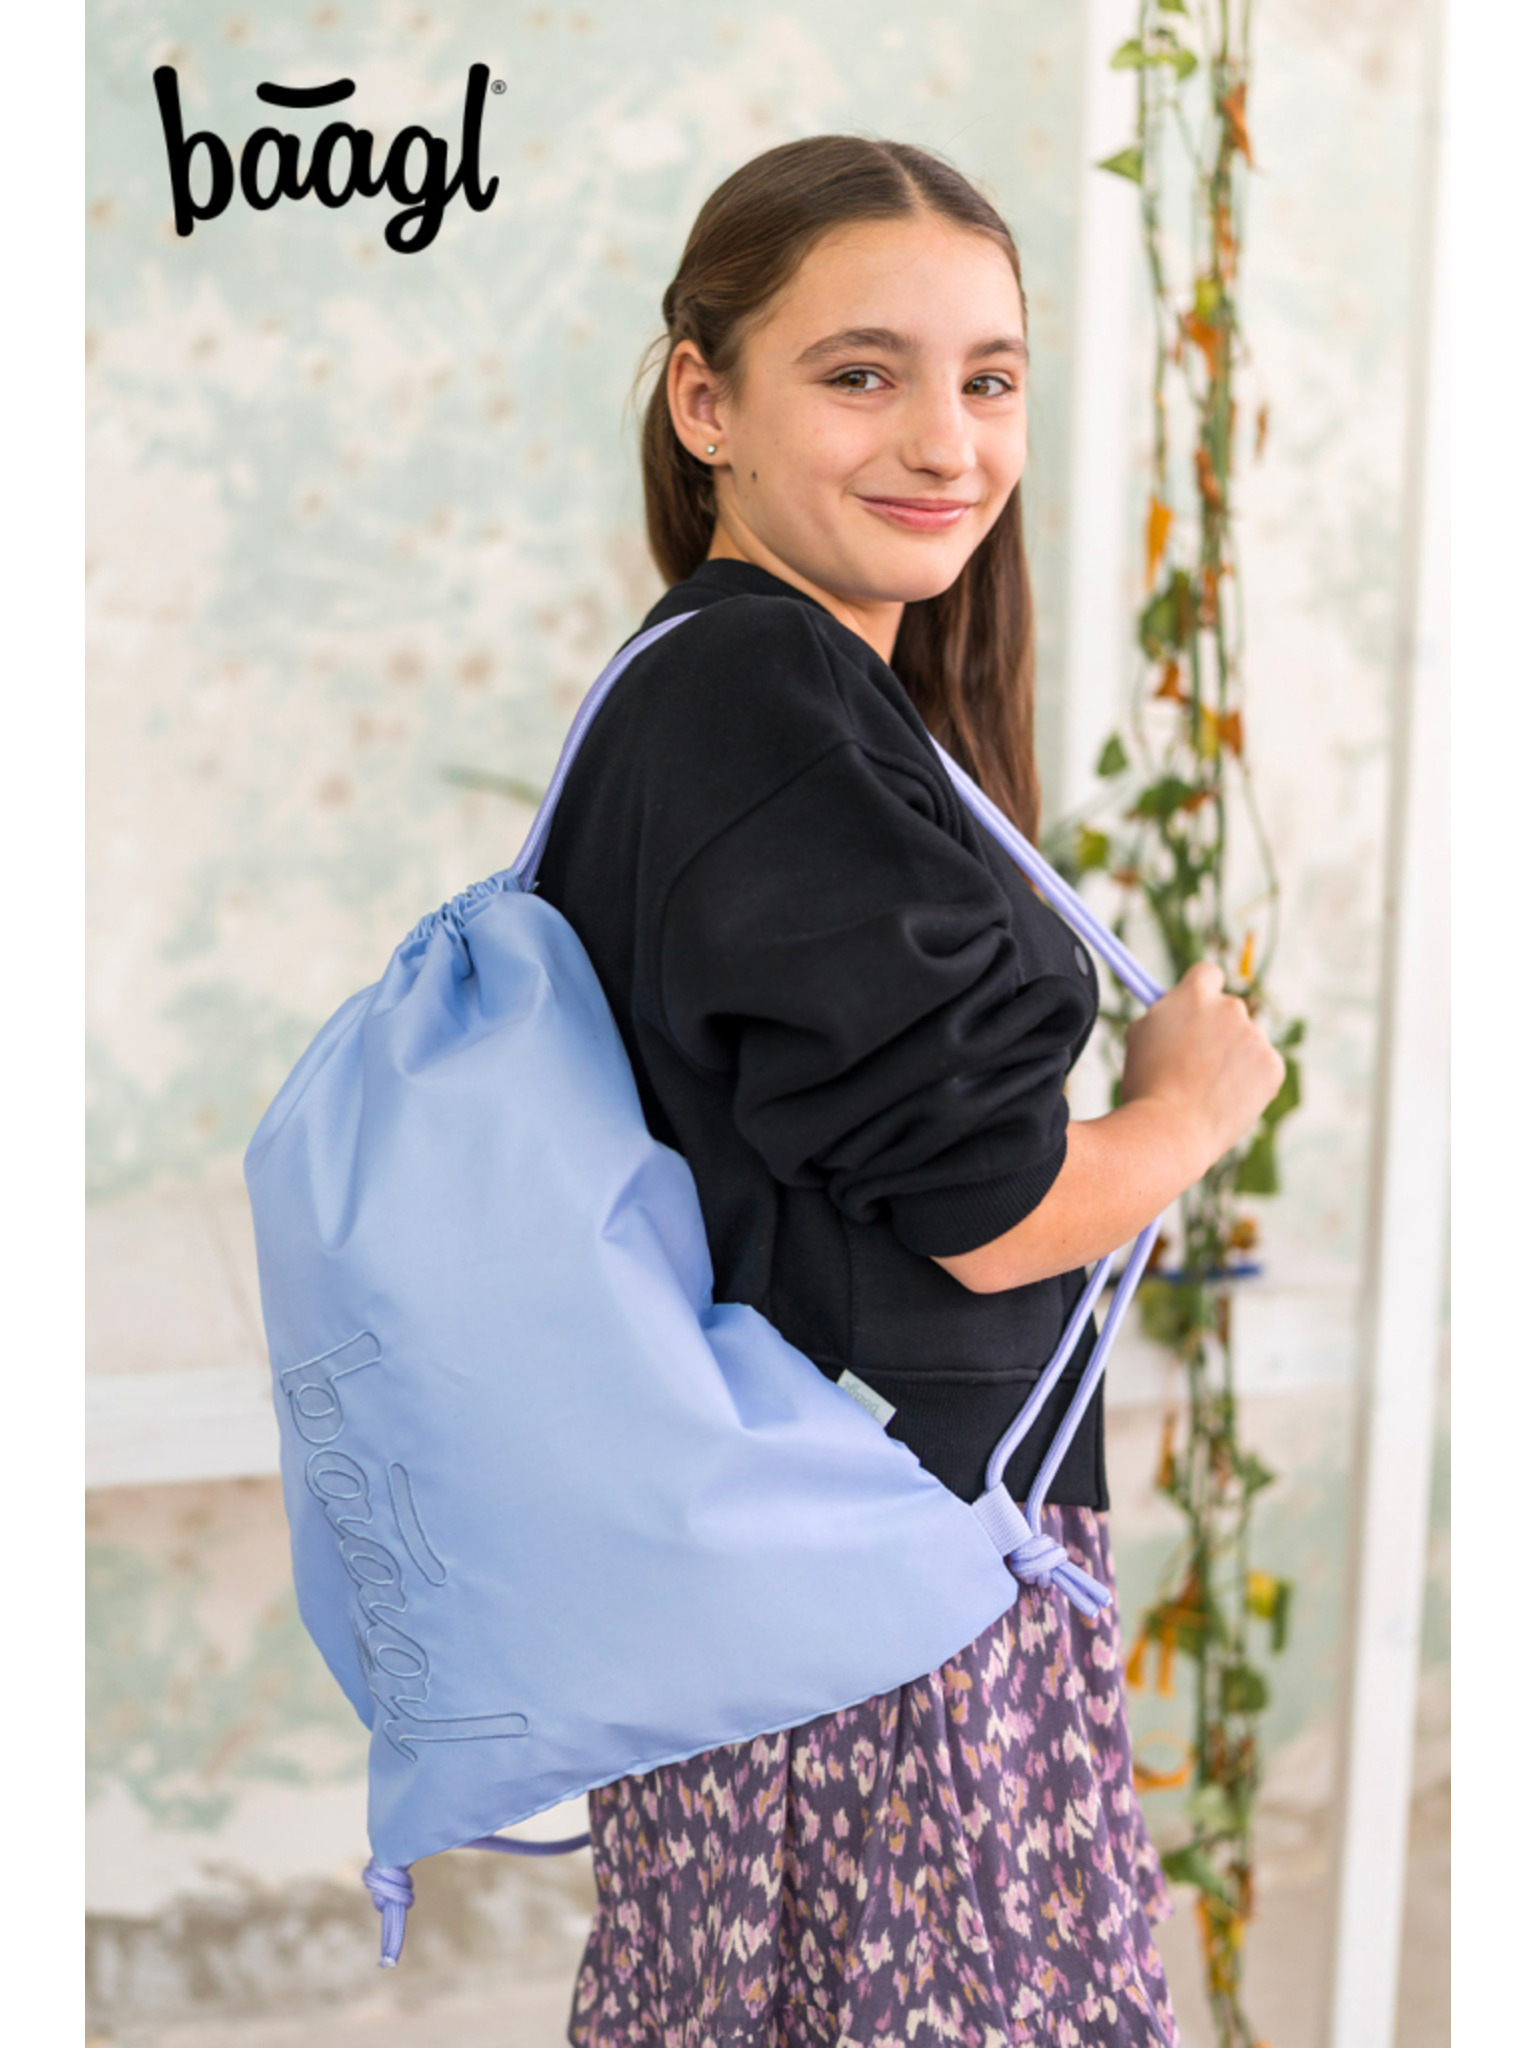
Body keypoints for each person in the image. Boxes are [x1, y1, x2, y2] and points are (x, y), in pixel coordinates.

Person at [534, 135, 1284, 2048]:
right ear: (705, 400)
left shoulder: (758, 685)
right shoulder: (762, 703)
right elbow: (989, 1214)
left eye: (990, 378)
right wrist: (1191, 1108)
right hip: (880, 1609)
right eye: (861, 373)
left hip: (819, 1572)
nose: (946, 441)